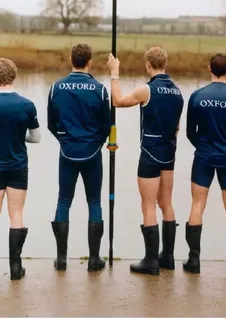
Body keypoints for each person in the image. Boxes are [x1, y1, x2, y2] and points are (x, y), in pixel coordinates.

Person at [107, 47, 184, 276]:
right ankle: (168, 257)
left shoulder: (146, 90)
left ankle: (151, 261)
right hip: (169, 154)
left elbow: (118, 101)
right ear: (165, 64)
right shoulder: (178, 92)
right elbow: (177, 128)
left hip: (150, 154)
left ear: (148, 65)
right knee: (166, 203)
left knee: (148, 206)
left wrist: (114, 73)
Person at [47, 44, 111, 272]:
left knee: (64, 201)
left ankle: (61, 259)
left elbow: (51, 123)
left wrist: (64, 140)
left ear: (71, 59)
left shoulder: (56, 87)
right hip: (92, 152)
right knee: (94, 202)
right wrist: (96, 143)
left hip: (67, 151)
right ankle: (94, 260)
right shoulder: (100, 90)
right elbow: (107, 125)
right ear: (89, 62)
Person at [184, 53, 226, 275]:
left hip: (203, 156)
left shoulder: (197, 96)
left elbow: (190, 131)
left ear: (209, 68)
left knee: (197, 205)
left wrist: (203, 146)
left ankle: (194, 261)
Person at [0, 58, 41, 280]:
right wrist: (18, 135)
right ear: (13, 76)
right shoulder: (26, 105)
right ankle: (16, 268)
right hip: (17, 166)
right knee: (16, 214)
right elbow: (36, 138)